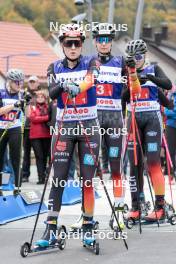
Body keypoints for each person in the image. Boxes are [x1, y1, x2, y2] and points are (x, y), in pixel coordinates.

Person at [35, 24, 100, 248]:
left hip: (88, 127)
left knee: (88, 180)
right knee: (59, 179)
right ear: (62, 45)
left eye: (77, 43)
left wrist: (78, 86)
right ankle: (51, 227)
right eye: (68, 43)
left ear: (82, 44)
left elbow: (92, 80)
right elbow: (52, 92)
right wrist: (64, 84)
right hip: (64, 127)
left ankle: (88, 225)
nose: (73, 47)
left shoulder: (91, 62)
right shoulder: (54, 66)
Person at [123, 39, 172, 221]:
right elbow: (123, 97)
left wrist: (149, 79)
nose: (136, 60)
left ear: (145, 56)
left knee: (152, 162)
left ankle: (160, 206)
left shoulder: (153, 69)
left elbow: (167, 84)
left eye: (138, 56)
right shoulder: (127, 71)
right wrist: (133, 79)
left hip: (152, 118)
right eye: (132, 57)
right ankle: (137, 205)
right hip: (133, 119)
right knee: (134, 164)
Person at [92, 23, 127, 229]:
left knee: (116, 167)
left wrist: (132, 72)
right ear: (95, 41)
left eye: (107, 39)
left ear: (111, 41)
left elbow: (133, 86)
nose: (104, 43)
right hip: (93, 118)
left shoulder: (120, 62)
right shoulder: (88, 61)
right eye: (100, 39)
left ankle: (119, 211)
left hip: (114, 119)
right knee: (89, 169)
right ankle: (86, 215)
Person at [0, 69, 25, 196]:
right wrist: (14, 105)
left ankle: (17, 187)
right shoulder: (1, 93)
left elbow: (29, 115)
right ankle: (1, 186)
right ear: (10, 82)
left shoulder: (22, 94)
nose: (19, 85)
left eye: (21, 82)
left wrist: (26, 104)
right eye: (16, 82)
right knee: (1, 159)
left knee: (16, 158)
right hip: (1, 128)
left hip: (15, 128)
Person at [29, 89, 51, 184]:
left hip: (46, 135)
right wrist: (46, 118)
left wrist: (42, 118)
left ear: (45, 98)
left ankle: (45, 176)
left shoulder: (48, 107)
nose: (40, 98)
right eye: (38, 97)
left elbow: (52, 117)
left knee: (46, 156)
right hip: (35, 136)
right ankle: (40, 177)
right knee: (39, 156)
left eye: (42, 97)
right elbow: (33, 118)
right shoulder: (32, 107)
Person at [22, 75, 40, 182]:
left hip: (39, 129)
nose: (32, 84)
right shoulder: (24, 94)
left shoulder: (42, 94)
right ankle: (25, 175)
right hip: (26, 128)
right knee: (26, 153)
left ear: (38, 83)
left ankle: (42, 175)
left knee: (40, 154)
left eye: (34, 82)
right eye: (30, 82)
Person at [165, 85, 176, 184]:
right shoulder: (170, 95)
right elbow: (166, 111)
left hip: (171, 122)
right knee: (170, 152)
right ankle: (171, 175)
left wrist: (173, 111)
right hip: (171, 126)